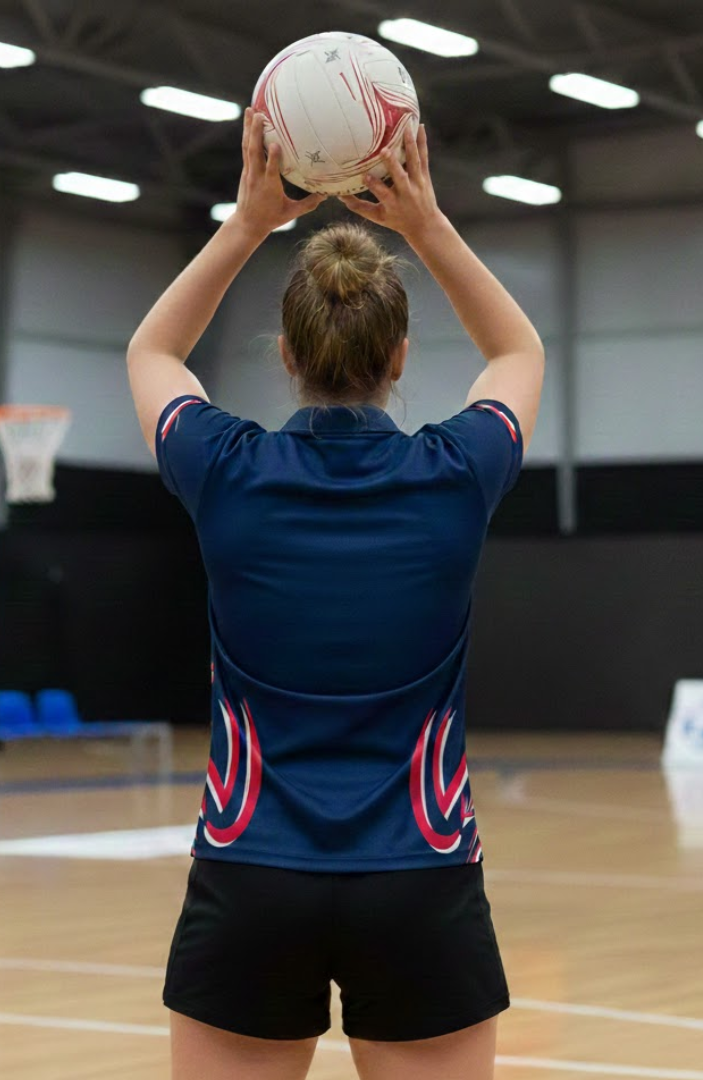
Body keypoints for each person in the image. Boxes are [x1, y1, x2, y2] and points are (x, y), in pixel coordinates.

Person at [127, 110, 544, 1080]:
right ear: (400, 359)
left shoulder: (222, 468)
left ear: (286, 354)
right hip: (422, 877)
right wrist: (427, 223)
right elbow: (518, 354)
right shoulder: (456, 473)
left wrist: (245, 224)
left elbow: (153, 354)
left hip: (250, 872)